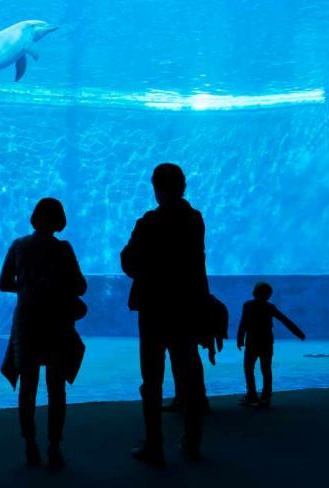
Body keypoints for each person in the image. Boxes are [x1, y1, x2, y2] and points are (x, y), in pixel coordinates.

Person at [121, 163, 209, 465]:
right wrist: (203, 305)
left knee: (152, 377)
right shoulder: (194, 221)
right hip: (185, 306)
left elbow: (128, 262)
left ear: (156, 188)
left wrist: (149, 272)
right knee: (189, 372)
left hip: (154, 308)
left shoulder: (148, 223)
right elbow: (198, 265)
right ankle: (192, 441)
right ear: (183, 186)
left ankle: (155, 444)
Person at [0, 198, 87, 469]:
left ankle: (30, 445)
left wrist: (27, 289)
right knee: (56, 388)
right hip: (56, 322)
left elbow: (3, 284)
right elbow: (81, 287)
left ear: (35, 217)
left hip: (27, 322)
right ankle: (54, 447)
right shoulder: (63, 249)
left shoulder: (18, 246)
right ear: (60, 220)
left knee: (28, 387)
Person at [237, 282, 306, 407]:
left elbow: (243, 323)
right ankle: (265, 397)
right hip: (266, 342)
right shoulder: (270, 307)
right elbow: (285, 320)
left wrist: (240, 339)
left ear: (255, 292)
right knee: (266, 369)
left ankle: (252, 395)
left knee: (249, 369)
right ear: (268, 295)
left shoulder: (248, 305)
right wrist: (299, 333)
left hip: (252, 341)